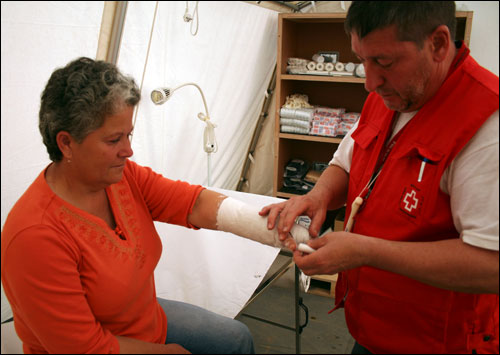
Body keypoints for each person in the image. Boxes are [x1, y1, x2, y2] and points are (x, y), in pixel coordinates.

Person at [260, 2, 499, 354]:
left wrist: (366, 252)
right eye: (362, 60)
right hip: (372, 328)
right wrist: (319, 196)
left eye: (384, 62)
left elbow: (490, 263)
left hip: (437, 341)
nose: (370, 82)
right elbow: (347, 161)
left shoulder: (486, 124)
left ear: (438, 44)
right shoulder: (391, 94)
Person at [0, 57, 265, 354]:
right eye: (114, 140)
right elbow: (86, 349)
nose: (128, 150)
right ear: (66, 143)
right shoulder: (34, 237)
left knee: (237, 339)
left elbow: (191, 203)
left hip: (147, 322)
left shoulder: (121, 177)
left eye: (129, 135)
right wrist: (168, 352)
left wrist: (267, 225)